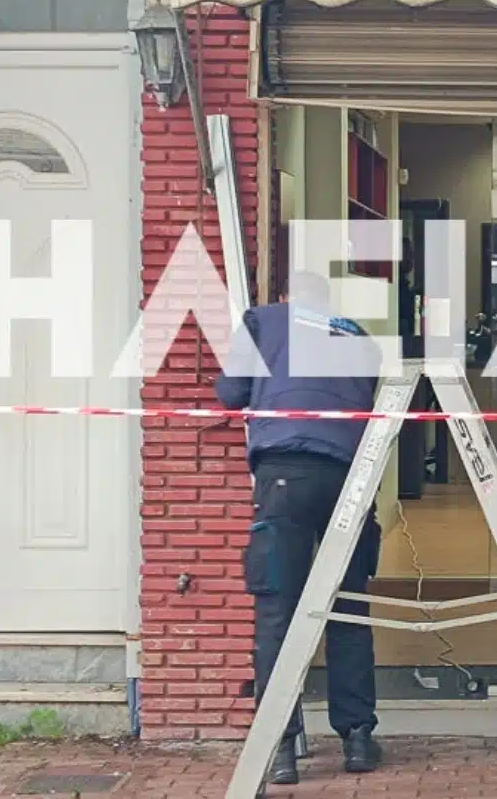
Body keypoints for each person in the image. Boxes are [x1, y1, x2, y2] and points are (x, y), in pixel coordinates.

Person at [215, 271, 384, 787]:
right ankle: (357, 738)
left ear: (286, 298)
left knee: (278, 611)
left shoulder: (262, 321)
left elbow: (229, 393)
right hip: (349, 477)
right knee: (348, 604)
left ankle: (282, 746)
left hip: (285, 475)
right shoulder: (357, 335)